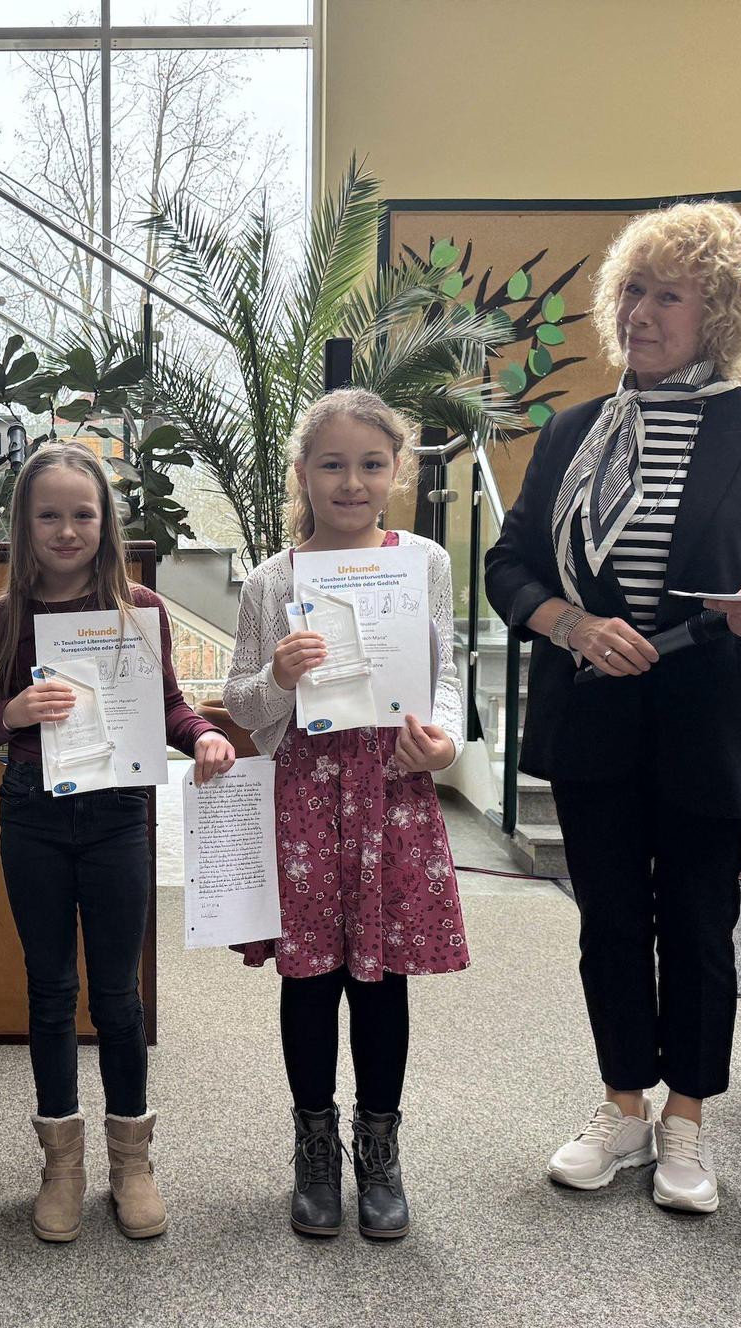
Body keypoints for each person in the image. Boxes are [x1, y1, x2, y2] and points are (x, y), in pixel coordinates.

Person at [484, 201, 741, 1215]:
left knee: (697, 923)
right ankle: (622, 1107)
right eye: (632, 290)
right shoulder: (571, 431)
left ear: (716, 312)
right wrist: (567, 623)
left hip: (711, 710)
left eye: (668, 294)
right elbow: (511, 566)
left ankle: (687, 1123)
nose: (641, 311)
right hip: (593, 708)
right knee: (607, 927)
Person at [0, 441, 234, 1244]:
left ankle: (131, 1161)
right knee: (49, 992)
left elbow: (173, 709)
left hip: (119, 814)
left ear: (106, 521)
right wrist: (11, 715)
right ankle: (61, 1164)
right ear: (24, 524)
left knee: (117, 995)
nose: (67, 530)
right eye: (48, 515)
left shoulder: (140, 609)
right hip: (33, 813)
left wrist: (206, 742)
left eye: (83, 514)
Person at [223, 388, 470, 1241]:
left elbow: (445, 670)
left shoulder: (425, 563)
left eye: (370, 464)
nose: (352, 481)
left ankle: (380, 1147)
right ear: (304, 472)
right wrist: (280, 679)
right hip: (302, 797)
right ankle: (314, 1145)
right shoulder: (272, 578)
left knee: (381, 974)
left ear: (396, 471)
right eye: (332, 464)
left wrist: (443, 740)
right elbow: (241, 699)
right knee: (309, 976)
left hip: (390, 790)